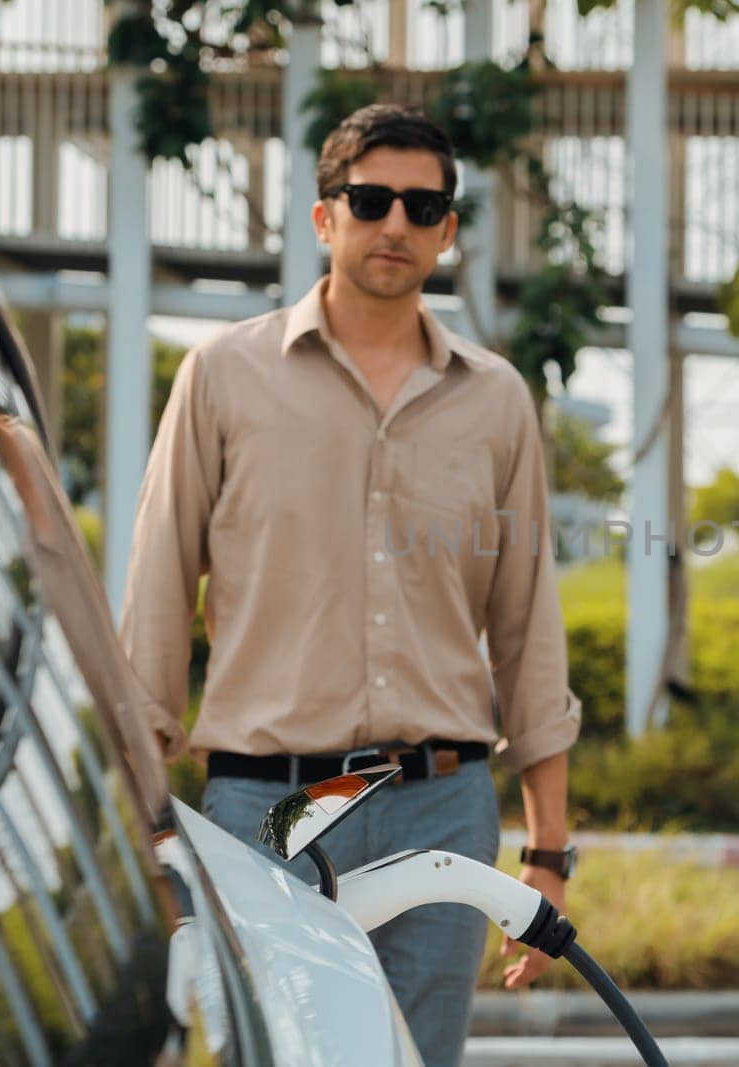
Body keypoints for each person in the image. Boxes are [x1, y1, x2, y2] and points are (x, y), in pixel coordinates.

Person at [119, 103, 582, 1067]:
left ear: (449, 231)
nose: (398, 225)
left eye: (424, 207)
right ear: (325, 217)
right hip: (272, 807)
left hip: (439, 802)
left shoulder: (495, 399)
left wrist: (548, 849)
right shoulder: (224, 376)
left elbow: (529, 622)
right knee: (274, 1056)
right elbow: (158, 588)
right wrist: (144, 816)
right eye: (371, 200)